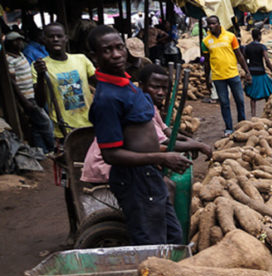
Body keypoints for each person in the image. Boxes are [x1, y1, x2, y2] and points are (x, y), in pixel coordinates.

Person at [85, 26, 191, 246]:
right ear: (95, 57)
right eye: (107, 50)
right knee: (151, 244)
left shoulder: (127, 86)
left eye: (119, 47)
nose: (116, 54)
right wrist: (161, 157)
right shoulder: (107, 99)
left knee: (173, 237)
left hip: (149, 175)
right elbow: (111, 154)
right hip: (134, 180)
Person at [82, 63, 212, 185]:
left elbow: (167, 132)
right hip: (105, 165)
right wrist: (198, 145)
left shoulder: (151, 106)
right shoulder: (138, 110)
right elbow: (165, 142)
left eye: (164, 88)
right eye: (155, 87)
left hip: (125, 161)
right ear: (142, 86)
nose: (160, 93)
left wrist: (190, 141)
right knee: (166, 186)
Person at [32, 23, 96, 138]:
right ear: (44, 40)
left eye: (59, 36)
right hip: (64, 130)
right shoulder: (40, 65)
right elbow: (40, 102)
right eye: (51, 37)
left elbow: (99, 82)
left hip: (90, 123)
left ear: (66, 38)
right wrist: (41, 76)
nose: (55, 39)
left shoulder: (81, 59)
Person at [5, 32, 55, 153]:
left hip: (32, 94)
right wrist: (24, 101)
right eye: (15, 41)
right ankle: (54, 147)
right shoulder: (9, 59)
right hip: (26, 98)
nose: (19, 43)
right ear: (9, 44)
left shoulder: (20, 55)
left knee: (36, 127)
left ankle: (42, 151)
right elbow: (13, 83)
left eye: (20, 40)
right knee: (45, 123)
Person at [203, 16, 250, 136]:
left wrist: (247, 71)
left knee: (239, 100)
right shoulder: (206, 41)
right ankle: (229, 128)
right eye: (209, 24)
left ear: (219, 23)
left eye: (213, 23)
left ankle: (242, 124)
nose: (211, 26)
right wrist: (206, 78)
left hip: (233, 74)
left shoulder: (230, 36)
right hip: (218, 77)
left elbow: (239, 55)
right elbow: (207, 62)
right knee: (224, 103)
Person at [243, 28, 272, 117]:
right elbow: (267, 60)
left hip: (252, 73)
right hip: (261, 72)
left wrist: (247, 71)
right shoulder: (262, 47)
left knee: (253, 96)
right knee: (268, 92)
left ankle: (253, 115)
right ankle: (268, 112)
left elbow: (244, 60)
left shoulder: (247, 47)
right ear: (259, 36)